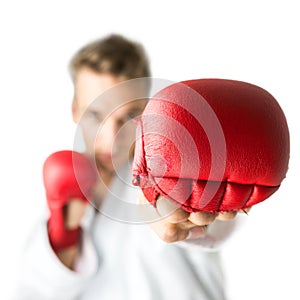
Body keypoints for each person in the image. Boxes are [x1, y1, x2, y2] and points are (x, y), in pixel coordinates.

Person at [15, 33, 247, 300]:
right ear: (75, 110)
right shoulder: (65, 184)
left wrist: (197, 205)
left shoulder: (175, 172)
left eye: (128, 115)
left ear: (147, 111)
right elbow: (33, 292)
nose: (111, 137)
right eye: (95, 114)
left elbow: (213, 231)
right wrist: (63, 231)